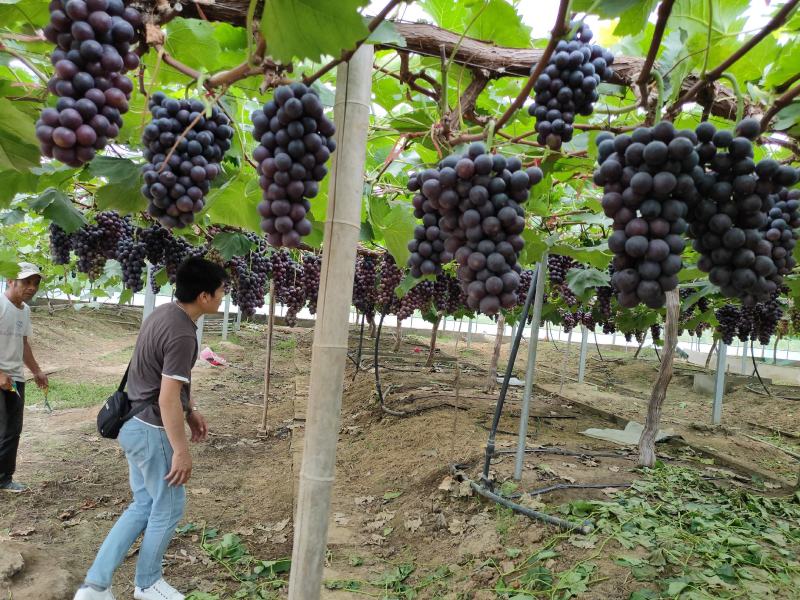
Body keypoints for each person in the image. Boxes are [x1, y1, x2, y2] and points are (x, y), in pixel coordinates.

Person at [74, 257, 227, 600]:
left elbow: (165, 382)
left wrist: (192, 413)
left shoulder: (163, 314)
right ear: (203, 296)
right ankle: (147, 583)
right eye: (220, 291)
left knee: (144, 503)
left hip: (132, 424)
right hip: (150, 428)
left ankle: (94, 586)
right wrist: (182, 451)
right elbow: (167, 398)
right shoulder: (184, 333)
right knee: (169, 505)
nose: (222, 297)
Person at [0, 262, 48, 493]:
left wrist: (36, 371)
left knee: (12, 430)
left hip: (15, 378)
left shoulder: (25, 311)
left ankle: (4, 478)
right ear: (10, 280)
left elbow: (23, 343)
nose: (32, 287)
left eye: (35, 283)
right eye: (26, 282)